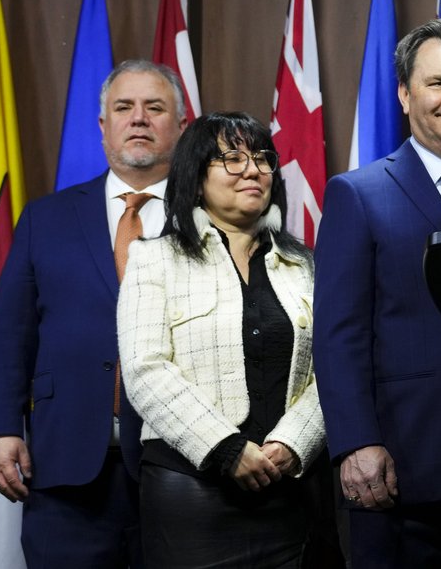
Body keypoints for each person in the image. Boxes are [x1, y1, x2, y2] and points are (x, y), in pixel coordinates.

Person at [0, 59, 187, 568]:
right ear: (102, 126)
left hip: (179, 471)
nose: (138, 119)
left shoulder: (205, 218)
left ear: (181, 125)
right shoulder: (46, 218)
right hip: (65, 467)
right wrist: (0, 429)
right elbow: (9, 334)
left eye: (154, 108)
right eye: (124, 107)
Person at [314, 18, 441, 567]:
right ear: (404, 94)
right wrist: (355, 442)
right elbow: (338, 336)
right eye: (438, 83)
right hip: (402, 467)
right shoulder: (359, 195)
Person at [117, 112, 324, 568]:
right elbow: (144, 369)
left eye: (262, 159)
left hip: (286, 492)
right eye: (231, 159)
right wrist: (226, 449)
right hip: (190, 495)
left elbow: (331, 371)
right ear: (194, 179)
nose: (252, 170)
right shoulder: (154, 260)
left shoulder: (306, 265)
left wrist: (294, 442)